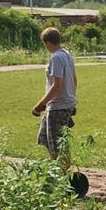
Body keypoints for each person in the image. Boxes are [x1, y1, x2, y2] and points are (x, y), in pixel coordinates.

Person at [32, 27, 78, 162]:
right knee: (45, 138)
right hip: (62, 104)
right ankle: (56, 167)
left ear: (47, 43)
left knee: (57, 145)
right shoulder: (67, 55)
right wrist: (72, 98)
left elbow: (57, 85)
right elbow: (74, 80)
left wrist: (40, 104)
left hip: (58, 106)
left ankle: (63, 175)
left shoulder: (57, 57)